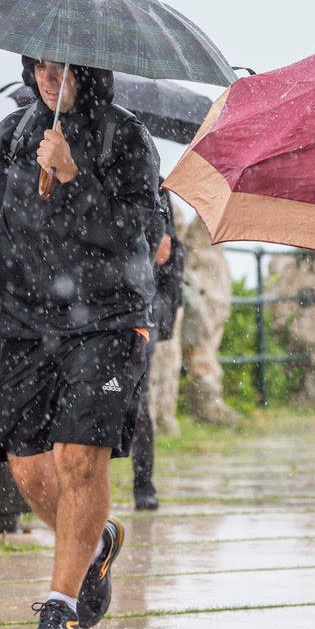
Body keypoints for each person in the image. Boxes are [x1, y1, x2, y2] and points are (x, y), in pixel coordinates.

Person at [0, 57, 159, 629]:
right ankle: (93, 547)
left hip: (108, 321)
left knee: (80, 458)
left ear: (89, 70)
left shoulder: (126, 136)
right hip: (21, 322)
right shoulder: (17, 130)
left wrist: (74, 177)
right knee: (30, 468)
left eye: (60, 67)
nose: (47, 77)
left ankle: (60, 607)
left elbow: (141, 229)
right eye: (38, 65)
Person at [131, 185, 185, 511]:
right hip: (95, 306)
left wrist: (162, 321)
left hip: (141, 309)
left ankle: (143, 484)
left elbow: (167, 253)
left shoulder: (157, 188)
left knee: (137, 401)